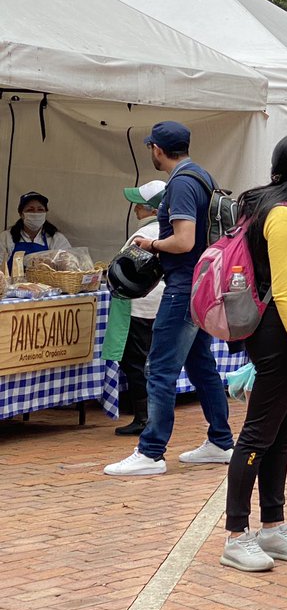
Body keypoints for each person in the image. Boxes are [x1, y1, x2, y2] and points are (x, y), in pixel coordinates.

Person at [220, 135, 287, 572]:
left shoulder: (280, 208)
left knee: (280, 433)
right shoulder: (284, 215)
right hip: (280, 337)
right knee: (258, 435)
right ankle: (236, 535)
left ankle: (272, 526)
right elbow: (285, 289)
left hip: (283, 334)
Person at [105, 121, 235, 477]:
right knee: (200, 365)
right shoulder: (202, 176)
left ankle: (151, 452)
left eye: (151, 148)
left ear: (157, 149)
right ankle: (221, 442)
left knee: (159, 369)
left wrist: (151, 244)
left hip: (182, 287)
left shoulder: (179, 185)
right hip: (202, 286)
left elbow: (184, 241)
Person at [111, 181, 167, 437]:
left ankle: (143, 417)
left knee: (135, 362)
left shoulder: (144, 236)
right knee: (151, 361)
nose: (135, 210)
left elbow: (125, 270)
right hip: (158, 306)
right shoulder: (168, 231)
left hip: (139, 307)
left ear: (153, 209)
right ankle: (152, 416)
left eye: (140, 206)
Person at [4, 191, 71, 272]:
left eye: (40, 209)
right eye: (30, 210)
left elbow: (68, 265)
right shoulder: (6, 237)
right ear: (21, 214)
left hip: (48, 284)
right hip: (12, 284)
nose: (35, 213)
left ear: (45, 213)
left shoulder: (56, 238)